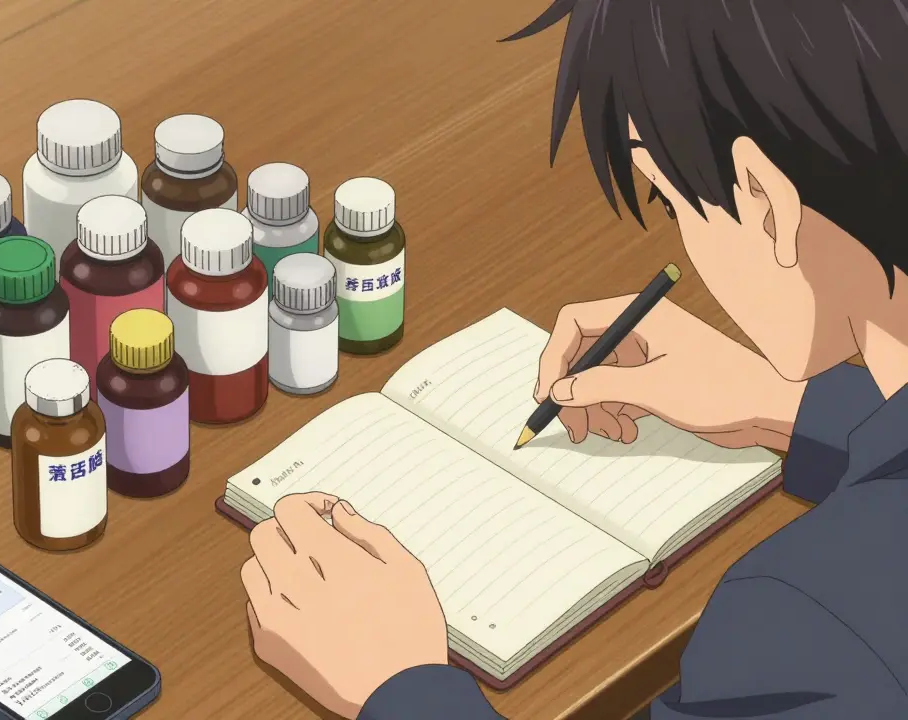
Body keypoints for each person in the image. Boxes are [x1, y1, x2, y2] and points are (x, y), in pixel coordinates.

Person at [240, 0, 908, 717]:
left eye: (668, 195)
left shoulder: (806, 622)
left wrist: (397, 687)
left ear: (764, 201)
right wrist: (807, 410)